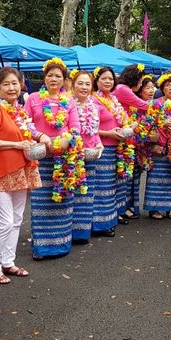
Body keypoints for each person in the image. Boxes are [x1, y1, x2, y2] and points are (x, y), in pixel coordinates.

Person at [0, 67, 43, 284]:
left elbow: (29, 134)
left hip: (22, 169)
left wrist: (38, 140)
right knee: (5, 222)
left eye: (15, 83)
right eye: (6, 84)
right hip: (2, 171)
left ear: (21, 84)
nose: (11, 87)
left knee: (17, 220)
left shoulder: (20, 109)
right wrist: (16, 144)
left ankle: (8, 262)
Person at [25, 58, 81, 260]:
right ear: (44, 77)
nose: (54, 79)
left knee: (62, 201)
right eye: (50, 75)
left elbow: (76, 126)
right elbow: (25, 124)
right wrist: (40, 136)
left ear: (64, 79)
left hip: (64, 158)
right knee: (41, 203)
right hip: (41, 157)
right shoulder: (33, 98)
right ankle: (41, 248)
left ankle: (61, 245)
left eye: (58, 76)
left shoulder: (70, 101)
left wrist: (68, 138)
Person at [92, 66, 132, 236]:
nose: (108, 82)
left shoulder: (114, 100)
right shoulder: (92, 100)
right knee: (103, 187)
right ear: (97, 81)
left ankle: (111, 218)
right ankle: (101, 224)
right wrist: (108, 133)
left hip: (118, 147)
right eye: (104, 79)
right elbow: (89, 128)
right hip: (103, 148)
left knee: (115, 185)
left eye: (110, 79)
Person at [144, 73, 171, 220]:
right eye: (168, 85)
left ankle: (169, 207)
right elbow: (147, 124)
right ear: (162, 88)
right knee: (156, 178)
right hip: (158, 146)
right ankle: (154, 208)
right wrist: (162, 124)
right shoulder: (155, 103)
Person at [71, 70, 103, 243]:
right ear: (73, 85)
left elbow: (94, 131)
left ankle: (82, 233)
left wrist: (98, 143)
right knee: (72, 194)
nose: (84, 87)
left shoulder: (94, 106)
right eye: (80, 83)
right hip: (73, 156)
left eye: (87, 84)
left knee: (87, 195)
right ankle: (69, 232)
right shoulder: (67, 104)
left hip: (90, 156)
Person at [113, 64, 148, 222]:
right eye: (140, 81)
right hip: (122, 135)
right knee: (121, 177)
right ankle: (119, 210)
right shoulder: (123, 89)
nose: (141, 85)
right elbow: (145, 106)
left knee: (125, 176)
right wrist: (166, 106)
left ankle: (122, 208)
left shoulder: (122, 89)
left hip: (127, 135)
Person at [131, 75, 157, 216]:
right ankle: (132, 208)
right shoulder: (135, 106)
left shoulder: (155, 105)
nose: (151, 90)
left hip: (149, 147)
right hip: (134, 146)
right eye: (147, 87)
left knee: (139, 177)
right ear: (140, 90)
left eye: (153, 87)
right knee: (132, 179)